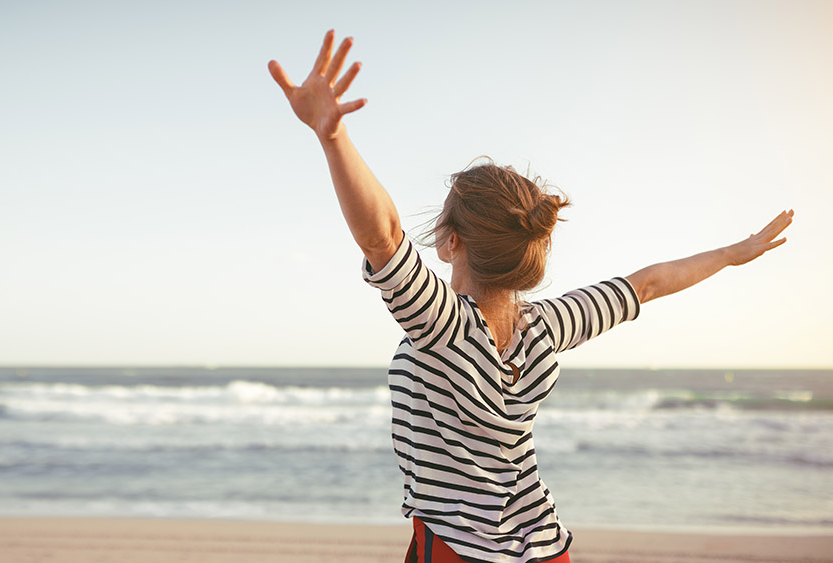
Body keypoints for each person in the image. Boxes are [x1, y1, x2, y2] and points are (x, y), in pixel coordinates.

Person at [268, 30, 794, 563]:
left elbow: (381, 236)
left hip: (456, 551)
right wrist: (731, 253)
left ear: (452, 243)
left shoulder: (442, 324)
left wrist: (332, 139)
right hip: (545, 546)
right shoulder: (548, 326)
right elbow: (647, 284)